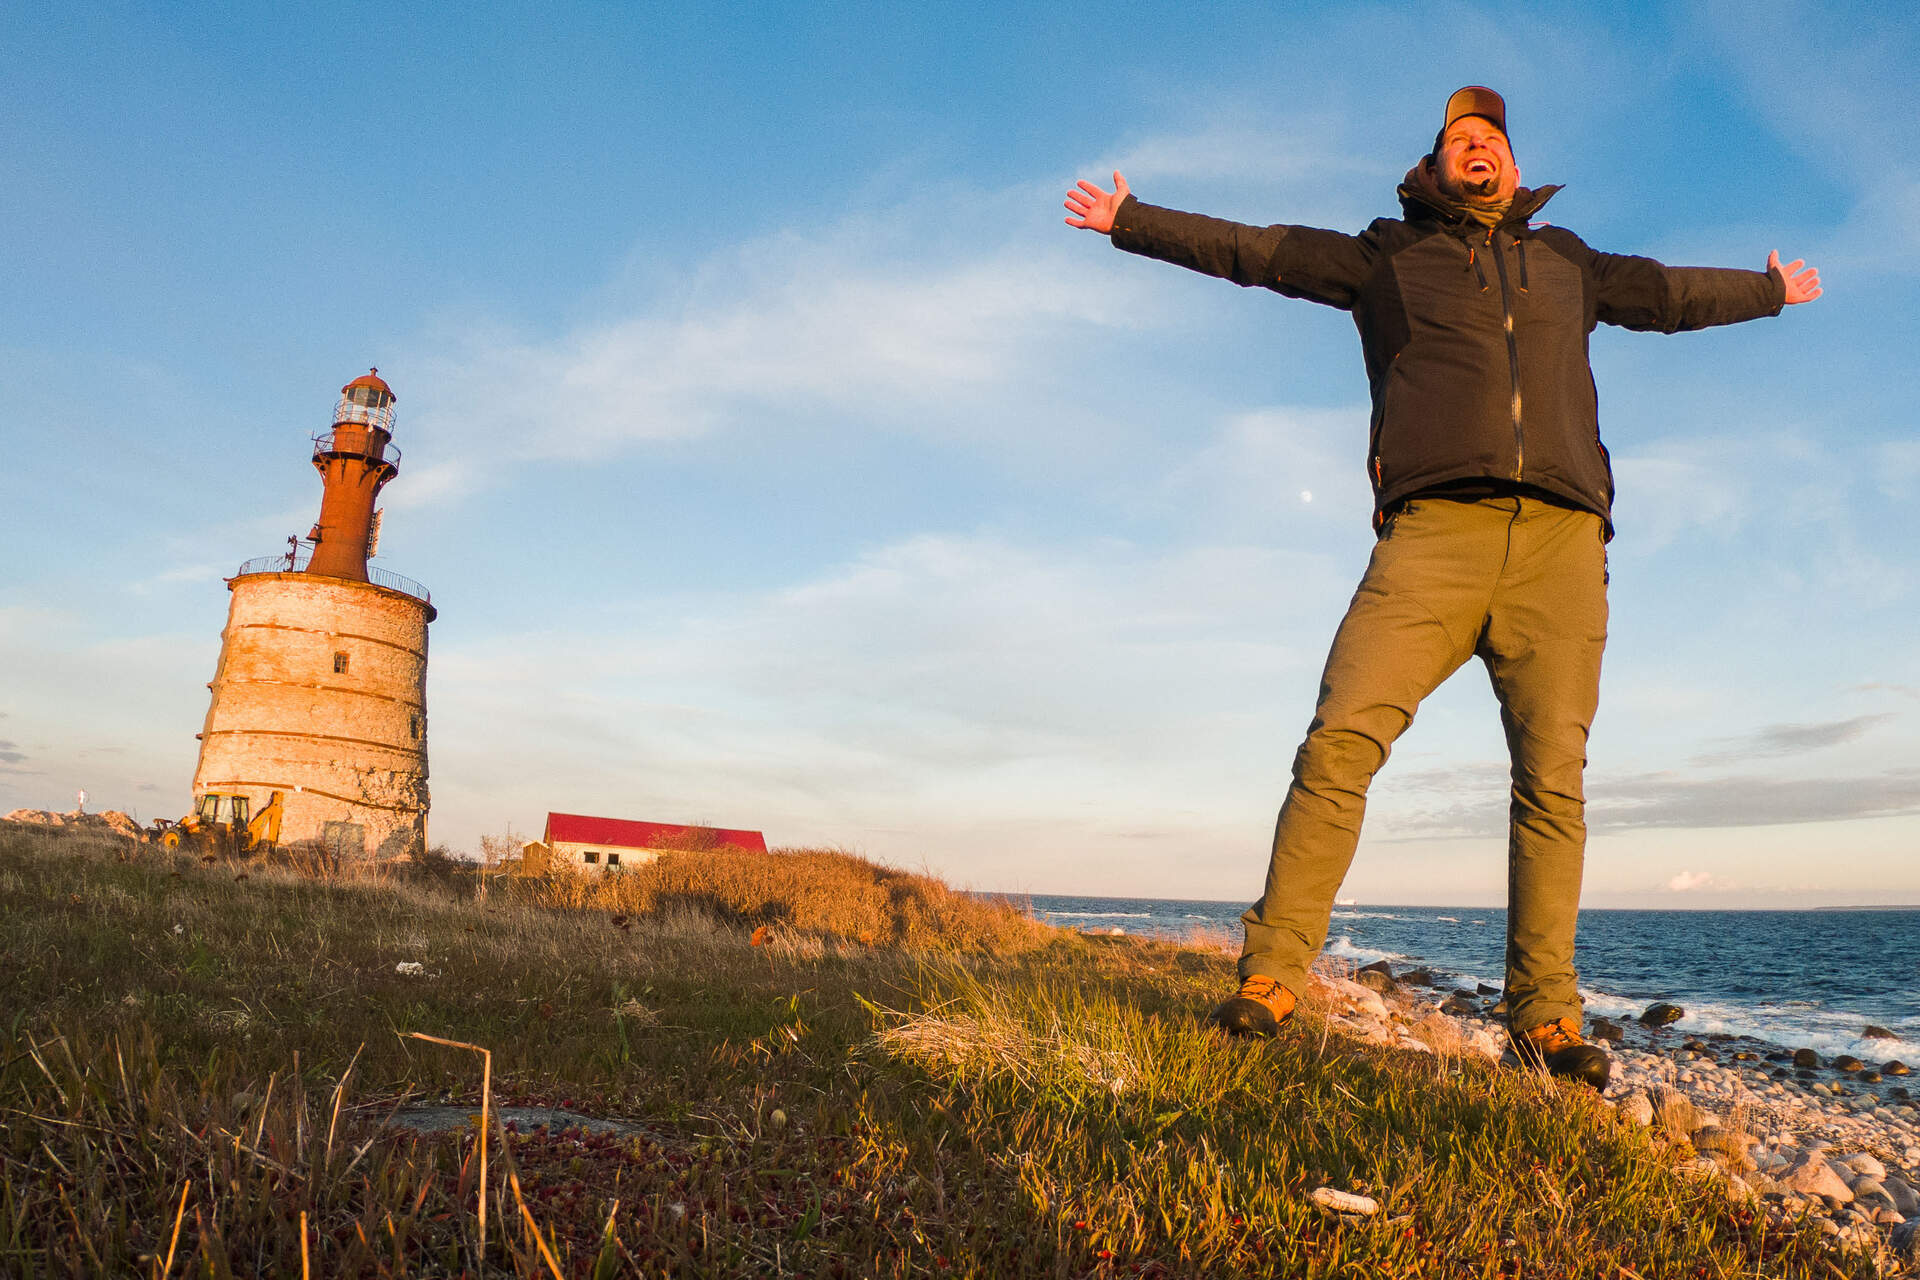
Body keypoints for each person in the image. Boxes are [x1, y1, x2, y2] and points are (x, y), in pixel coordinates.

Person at [1064, 86, 1820, 1086]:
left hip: (1559, 544)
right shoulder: (1386, 256)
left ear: (1513, 167)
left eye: (1492, 139)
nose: (1479, 149)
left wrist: (1768, 292)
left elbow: (1671, 296)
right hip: (1431, 538)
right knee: (1338, 743)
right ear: (1434, 167)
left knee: (1553, 782)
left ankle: (1545, 1016)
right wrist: (1134, 221)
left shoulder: (1569, 262)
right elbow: (1258, 251)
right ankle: (1275, 973)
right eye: (1461, 138)